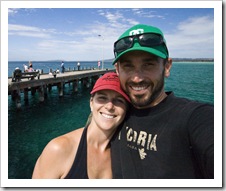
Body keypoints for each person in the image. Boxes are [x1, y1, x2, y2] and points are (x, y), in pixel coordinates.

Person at [110, 24, 214, 179]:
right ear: (118, 70)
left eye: (148, 65)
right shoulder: (114, 114)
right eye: (128, 66)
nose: (137, 78)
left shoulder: (195, 117)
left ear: (167, 66)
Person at [32, 72, 130, 179]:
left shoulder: (124, 155)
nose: (110, 106)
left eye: (119, 100)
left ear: (126, 109)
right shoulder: (59, 149)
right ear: (91, 103)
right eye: (102, 98)